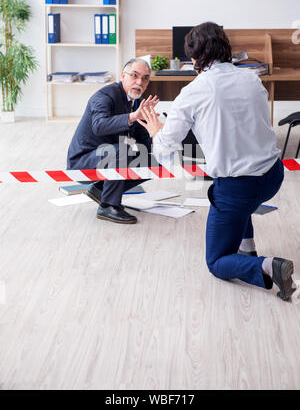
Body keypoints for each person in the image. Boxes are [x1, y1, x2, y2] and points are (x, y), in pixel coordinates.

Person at [138, 22, 296, 301]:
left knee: (217, 261)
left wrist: (154, 131)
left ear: (193, 58)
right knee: (236, 199)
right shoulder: (251, 78)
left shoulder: (194, 91)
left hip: (239, 189)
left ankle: (270, 266)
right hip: (273, 175)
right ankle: (247, 249)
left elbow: (164, 149)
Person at [67, 58, 159, 224]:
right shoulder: (104, 96)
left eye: (145, 78)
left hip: (110, 156)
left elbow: (143, 141)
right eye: (134, 75)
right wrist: (132, 117)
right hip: (84, 160)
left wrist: (155, 131)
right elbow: (99, 126)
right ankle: (108, 205)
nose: (140, 82)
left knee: (154, 161)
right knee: (121, 150)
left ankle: (100, 190)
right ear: (123, 76)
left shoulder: (136, 102)